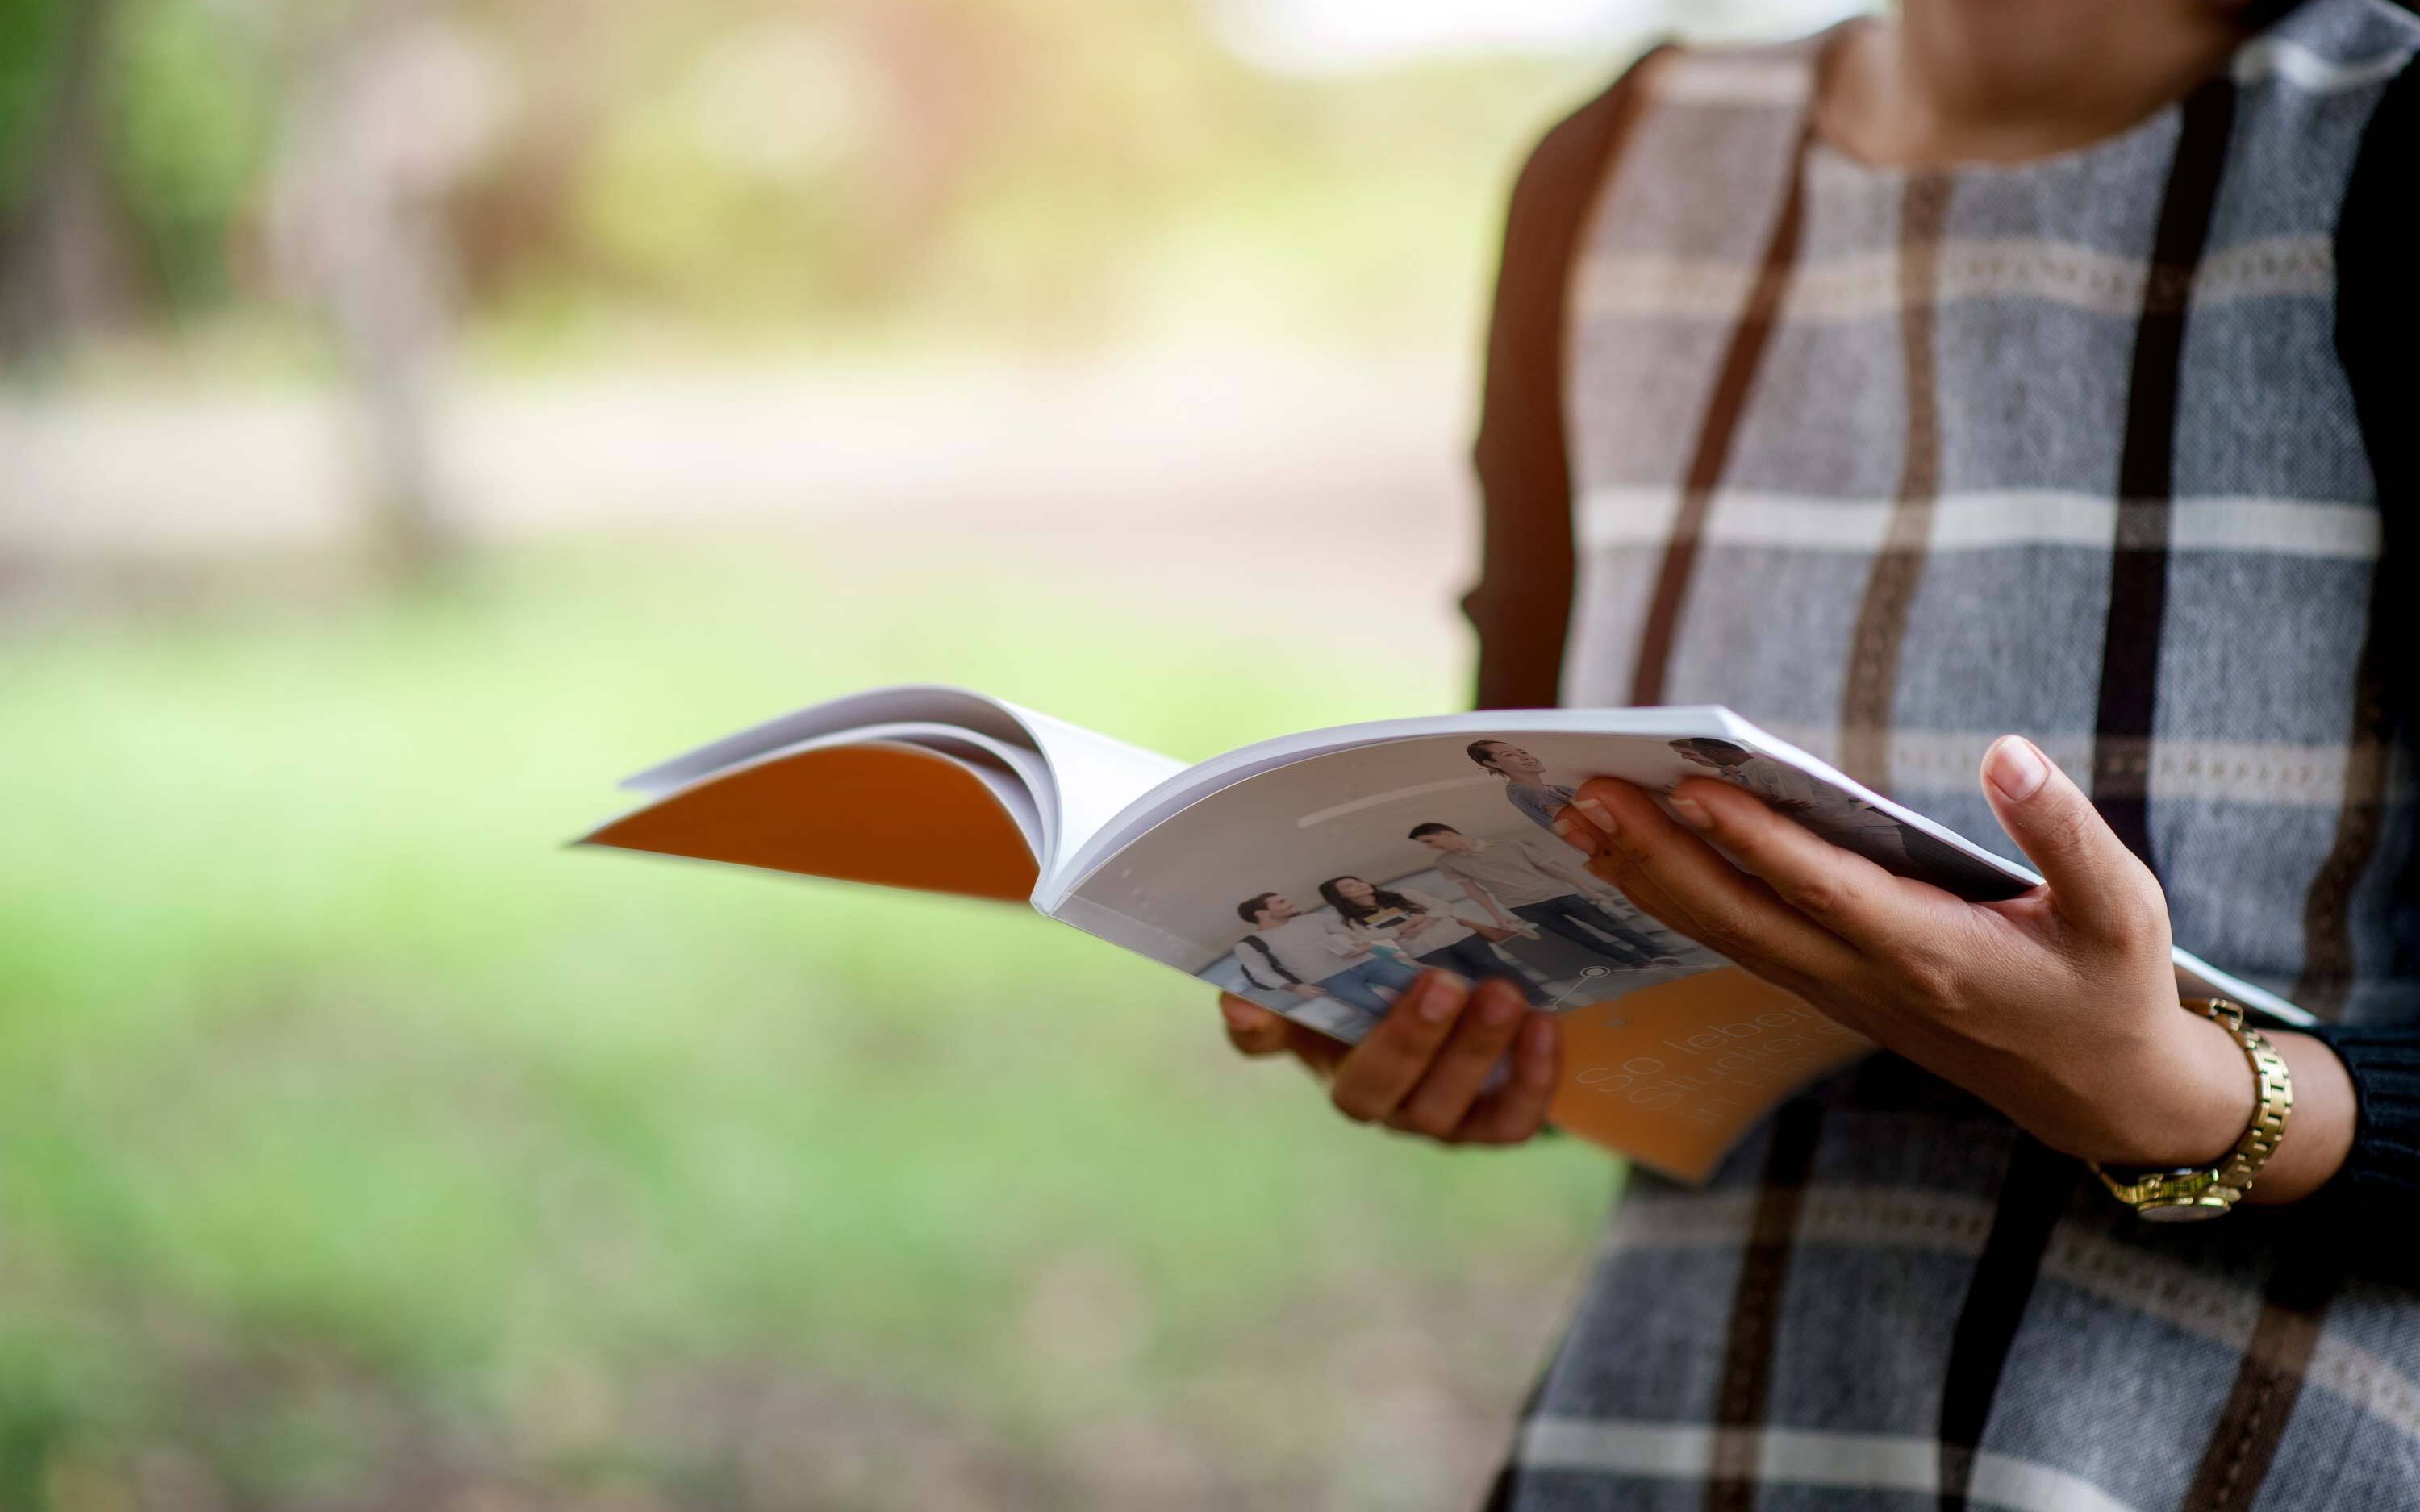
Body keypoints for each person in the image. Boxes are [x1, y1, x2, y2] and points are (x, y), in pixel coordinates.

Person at [1217, 1, 2420, 1506]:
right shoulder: (1608, 167)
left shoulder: (2376, 147)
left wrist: (2194, 1103)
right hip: (1676, 1432)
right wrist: (1465, 1017)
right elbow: (1536, 820)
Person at [1407, 823, 1677, 970]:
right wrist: (1497, 915)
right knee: (1582, 938)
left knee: (1611, 926)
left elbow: (1553, 868)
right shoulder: (1446, 862)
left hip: (1560, 894)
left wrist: (1590, 891)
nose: (1430, 848)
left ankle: (1658, 953)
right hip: (1523, 907)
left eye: (1430, 841)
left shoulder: (1509, 845)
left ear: (1446, 834)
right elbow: (1473, 889)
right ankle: (1636, 962)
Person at [1317, 873, 1549, 1004]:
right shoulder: (1354, 919)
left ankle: (1538, 998)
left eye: (1357, 880)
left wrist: (1423, 923)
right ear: (1340, 896)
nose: (1359, 884)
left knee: (1495, 966)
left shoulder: (1402, 895)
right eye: (1350, 886)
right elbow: (1375, 935)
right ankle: (1516, 1010)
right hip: (1427, 951)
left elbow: (1441, 906)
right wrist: (1413, 923)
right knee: (1476, 980)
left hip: (1458, 936)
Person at [1229, 891, 1421, 1020]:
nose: (1290, 903)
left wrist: (1365, 945)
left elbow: (1355, 935)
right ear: (1262, 913)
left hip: (1368, 962)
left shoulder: (1314, 919)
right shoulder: (1248, 945)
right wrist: (1294, 988)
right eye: (1281, 902)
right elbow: (1261, 974)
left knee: (1418, 987)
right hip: (1331, 980)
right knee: (1381, 1010)